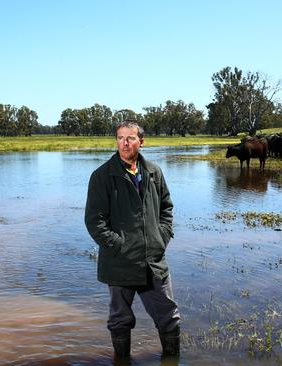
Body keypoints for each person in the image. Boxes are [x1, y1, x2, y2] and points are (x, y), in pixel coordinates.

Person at [84, 120, 181, 362]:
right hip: (119, 264)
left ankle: (172, 360)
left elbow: (166, 209)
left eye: (130, 138)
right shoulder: (102, 176)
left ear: (141, 141)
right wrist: (118, 245)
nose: (124, 143)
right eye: (120, 138)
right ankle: (122, 361)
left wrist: (161, 237)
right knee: (119, 320)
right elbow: (94, 221)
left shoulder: (154, 172)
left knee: (169, 316)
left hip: (153, 261)